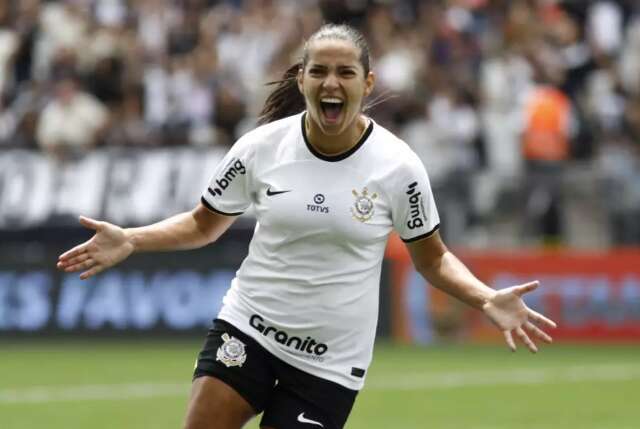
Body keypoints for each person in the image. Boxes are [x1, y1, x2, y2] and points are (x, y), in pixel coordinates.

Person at [57, 24, 556, 429]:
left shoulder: (398, 167)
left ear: (367, 83)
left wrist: (485, 297)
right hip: (249, 329)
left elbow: (433, 257)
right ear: (302, 80)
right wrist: (132, 239)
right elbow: (202, 225)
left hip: (329, 364)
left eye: (345, 72)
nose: (331, 83)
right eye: (319, 71)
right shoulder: (260, 148)